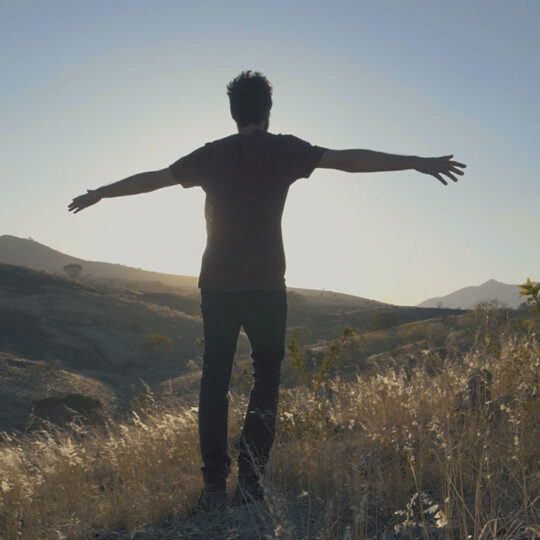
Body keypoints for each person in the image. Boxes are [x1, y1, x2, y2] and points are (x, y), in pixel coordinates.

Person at [68, 70, 466, 512]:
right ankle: (251, 481)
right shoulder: (284, 150)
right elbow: (349, 161)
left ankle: (214, 486)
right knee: (266, 377)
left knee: (214, 381)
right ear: (268, 111)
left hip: (217, 286)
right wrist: (415, 161)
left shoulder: (211, 154)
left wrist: (101, 193)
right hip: (266, 287)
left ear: (233, 112)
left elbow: (153, 179)